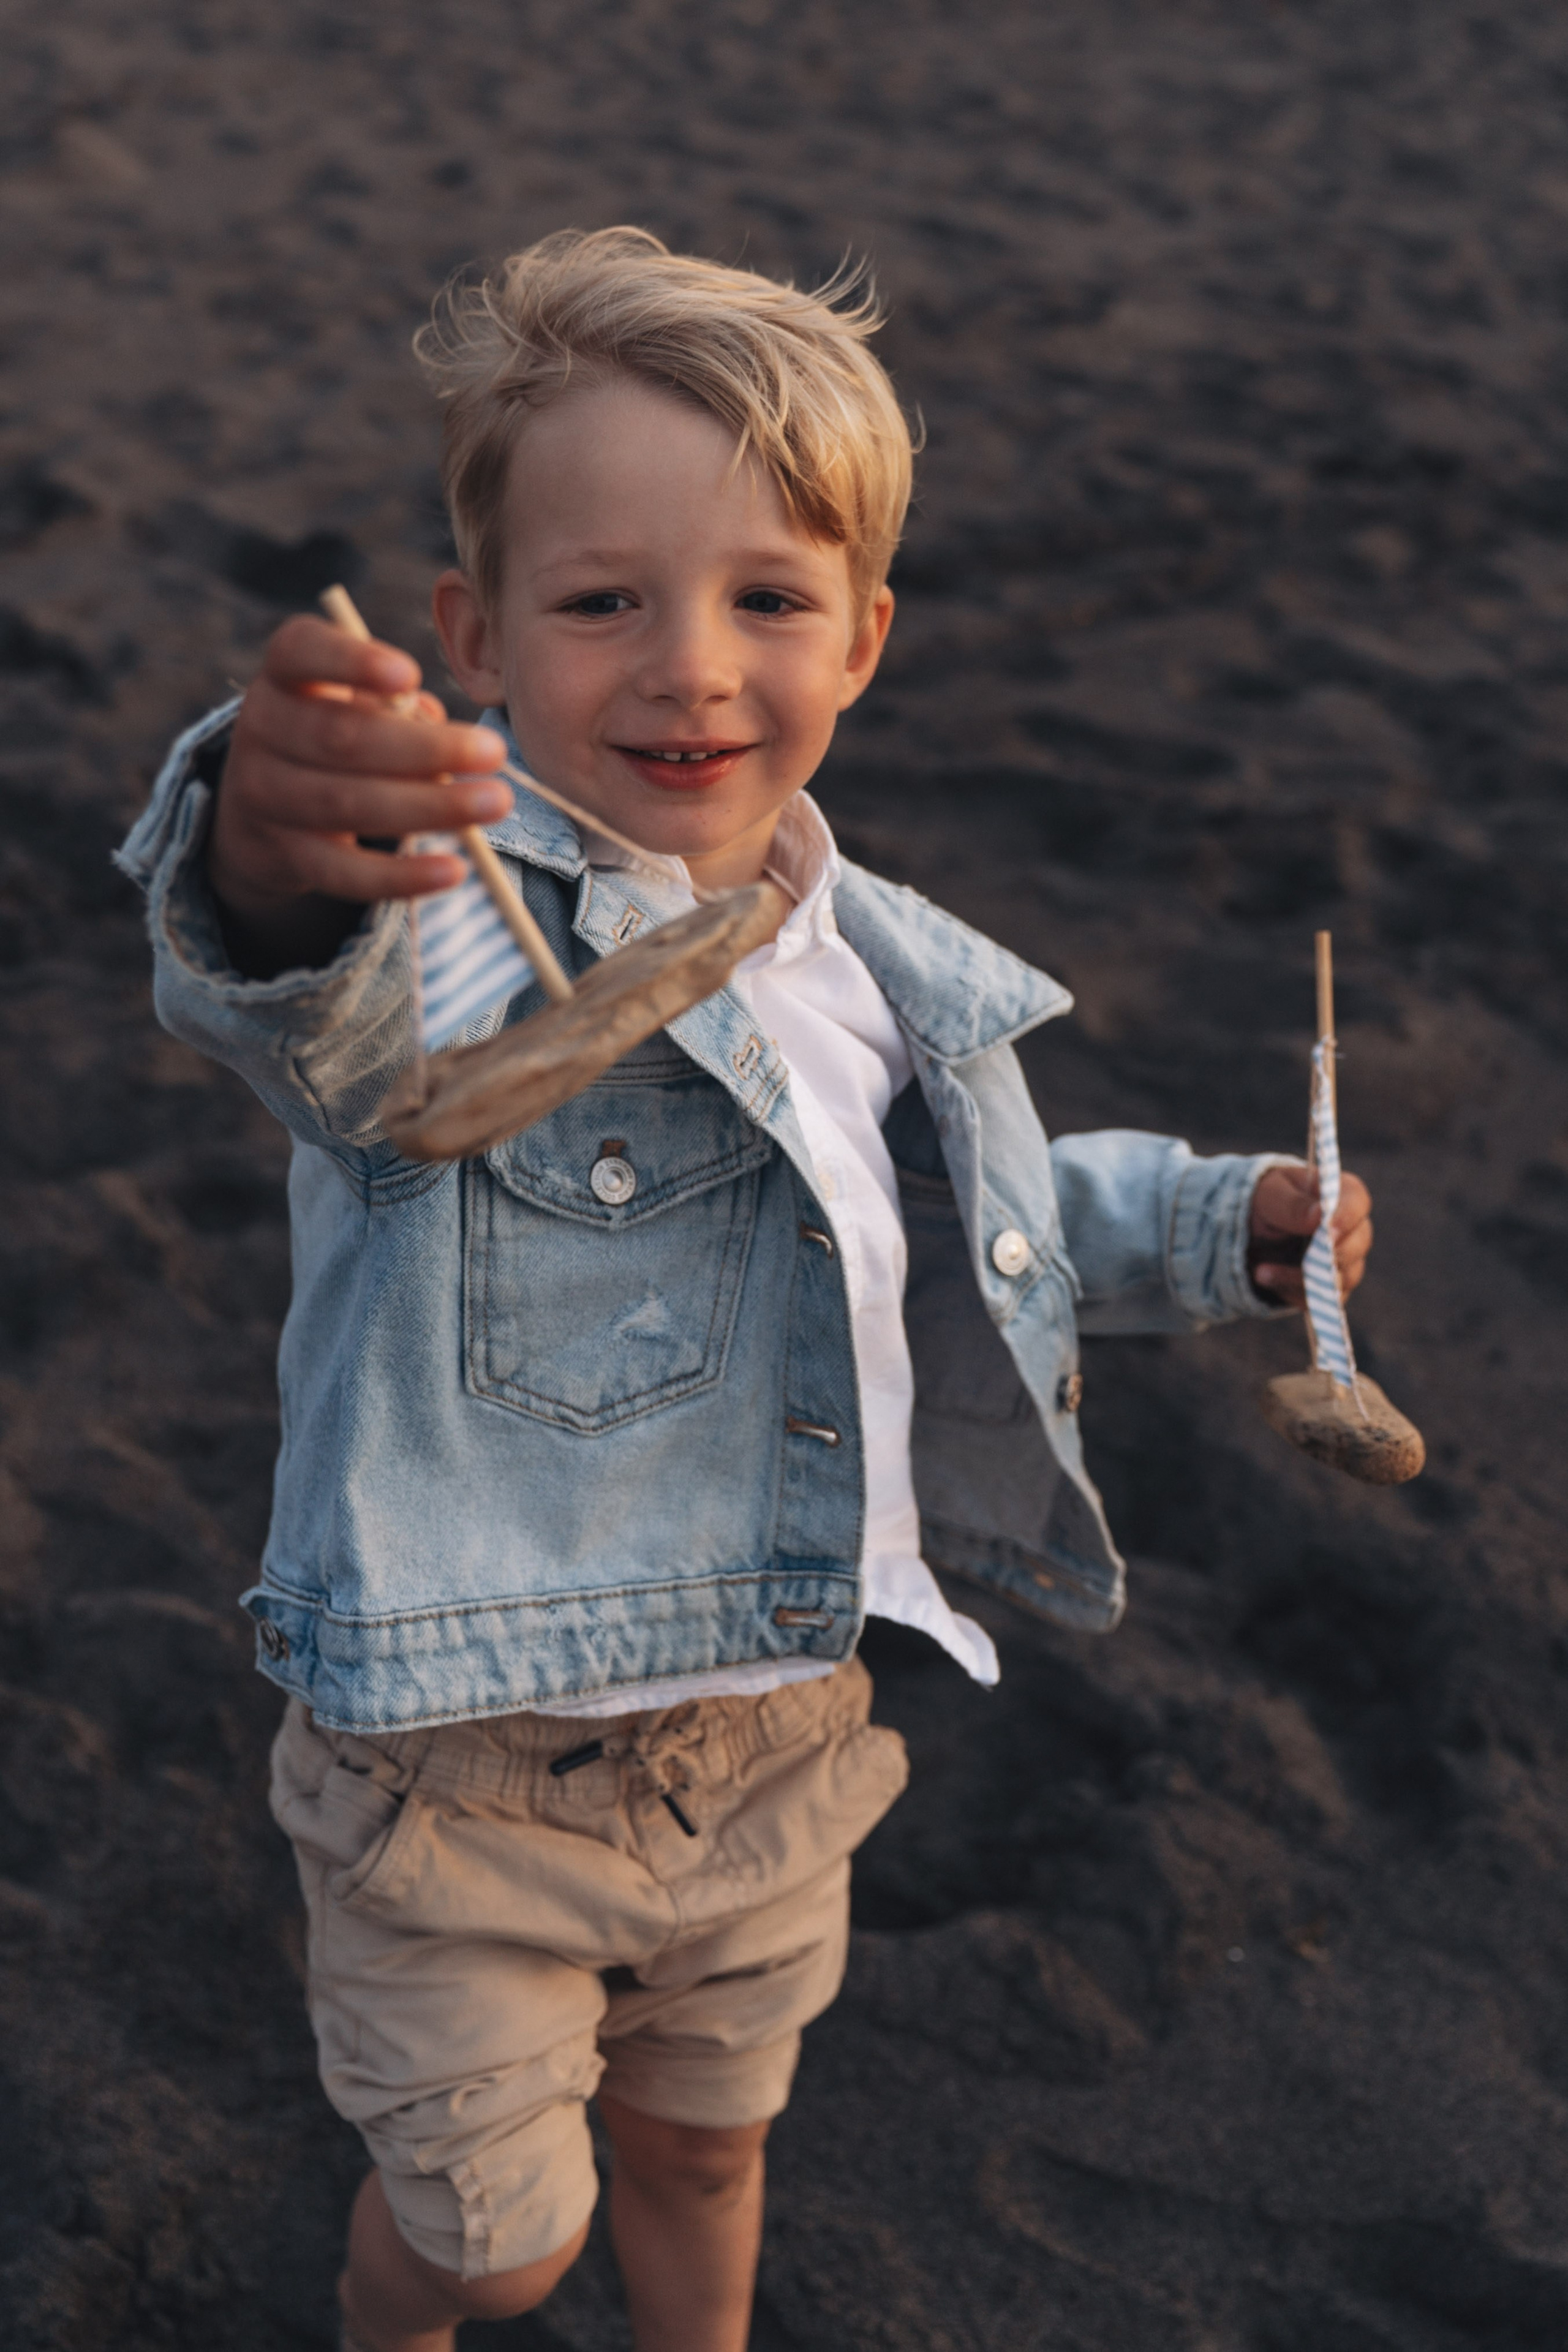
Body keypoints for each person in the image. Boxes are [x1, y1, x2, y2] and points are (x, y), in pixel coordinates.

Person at [116, 228, 1372, 2352]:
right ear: (475, 637)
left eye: (767, 600)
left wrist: (1206, 1225)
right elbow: (309, 1009)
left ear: (864, 636)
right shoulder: (465, 925)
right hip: (462, 1762)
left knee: (710, 2146)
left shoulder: (872, 962)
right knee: (497, 2244)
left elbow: (957, 1225)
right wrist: (273, 840)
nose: (690, 668)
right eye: (602, 601)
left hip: (778, 1727)